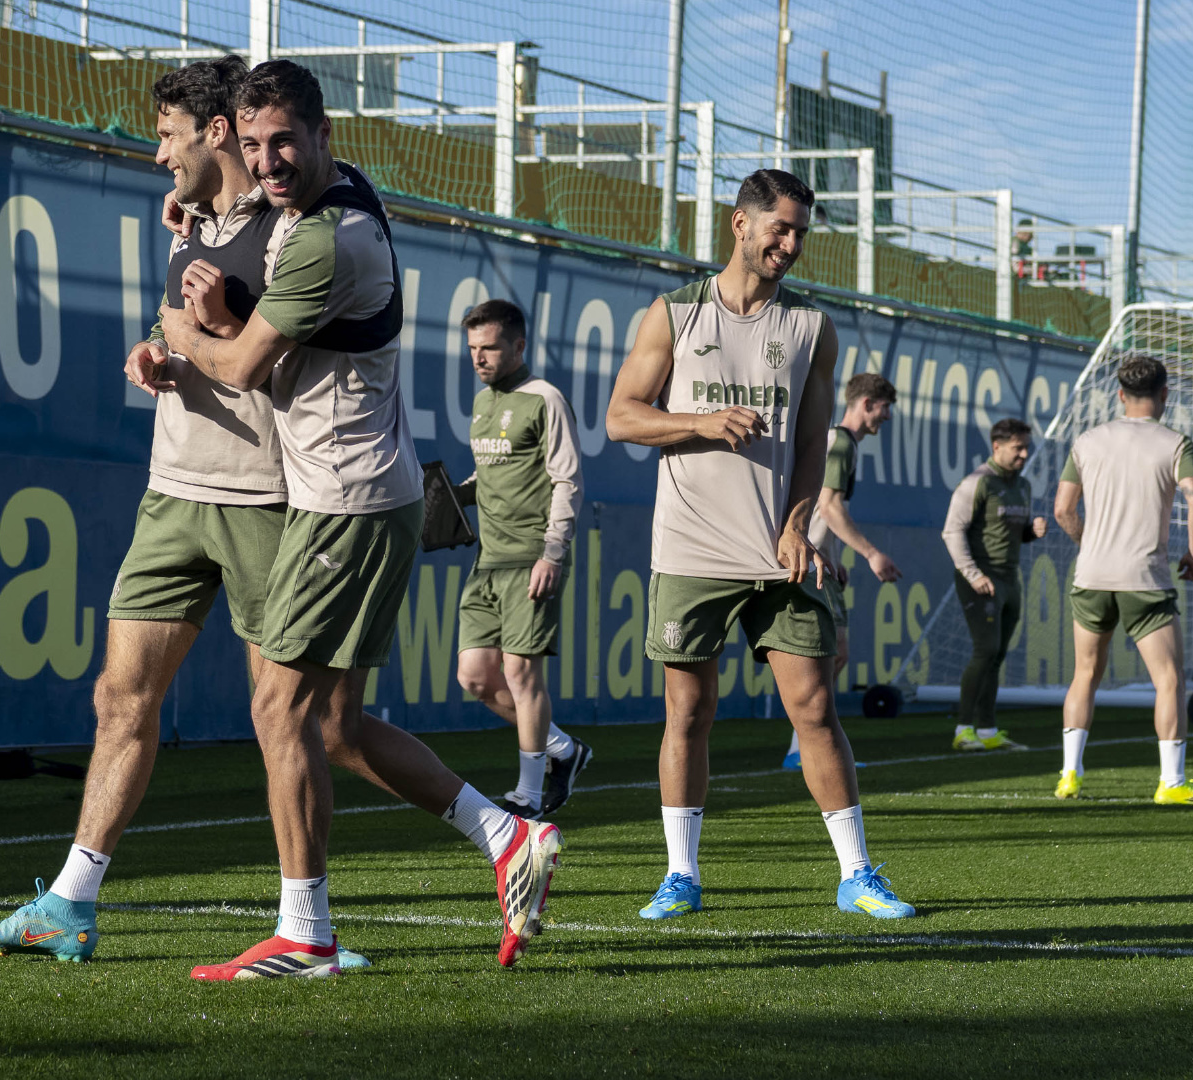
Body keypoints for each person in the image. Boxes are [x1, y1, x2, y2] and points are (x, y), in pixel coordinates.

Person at [0, 57, 380, 967]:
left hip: (266, 498)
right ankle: (72, 900)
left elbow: (259, 351)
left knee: (302, 720)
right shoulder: (199, 218)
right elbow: (179, 324)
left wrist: (199, 327)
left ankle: (315, 920)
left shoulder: (299, 222)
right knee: (121, 696)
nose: (156, 157)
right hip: (174, 492)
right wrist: (158, 348)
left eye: (167, 137)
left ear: (215, 133)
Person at [155, 60, 561, 979]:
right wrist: (194, 226)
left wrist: (178, 327)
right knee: (332, 724)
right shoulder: (342, 197)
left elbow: (237, 367)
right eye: (251, 146)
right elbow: (251, 249)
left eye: (283, 142)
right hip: (366, 497)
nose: (268, 163)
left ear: (325, 133)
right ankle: (507, 835)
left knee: (276, 707)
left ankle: (307, 934)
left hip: (344, 502)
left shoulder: (326, 241)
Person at [607, 168, 915, 923]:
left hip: (780, 555)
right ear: (738, 225)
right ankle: (681, 874)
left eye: (801, 233)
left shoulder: (812, 326)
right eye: (779, 228)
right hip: (689, 552)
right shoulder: (673, 315)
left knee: (814, 708)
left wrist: (795, 522)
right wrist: (700, 424)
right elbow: (621, 417)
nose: (791, 244)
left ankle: (858, 874)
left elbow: (815, 441)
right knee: (689, 712)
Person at [450, 299, 593, 817]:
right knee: (475, 677)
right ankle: (563, 749)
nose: (479, 358)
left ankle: (529, 794)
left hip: (531, 558)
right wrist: (451, 495)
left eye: (489, 347)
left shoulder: (544, 398)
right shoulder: (484, 403)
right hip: (487, 561)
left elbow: (568, 480)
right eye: (472, 349)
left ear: (518, 345)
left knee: (520, 675)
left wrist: (553, 552)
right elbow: (485, 476)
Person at [1053, 355, 1193, 804]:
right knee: (1169, 679)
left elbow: (1063, 509)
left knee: (1085, 674)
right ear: (1164, 394)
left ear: (1120, 395)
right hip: (1144, 577)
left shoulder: (1088, 440)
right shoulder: (1175, 443)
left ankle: (1069, 775)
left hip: (1092, 576)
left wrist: (1090, 545)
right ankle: (1172, 783)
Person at [780, 372, 898, 770]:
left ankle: (805, 747)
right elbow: (829, 506)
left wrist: (834, 553)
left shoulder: (838, 442)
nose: (886, 418)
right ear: (866, 403)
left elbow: (816, 509)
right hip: (809, 563)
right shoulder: (841, 443)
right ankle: (804, 749)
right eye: (884, 409)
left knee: (831, 656)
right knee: (826, 656)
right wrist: (870, 554)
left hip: (819, 559)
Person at [941, 418, 1048, 752]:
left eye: (1027, 447)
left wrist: (1032, 531)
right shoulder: (977, 483)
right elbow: (951, 531)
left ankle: (987, 731)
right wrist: (973, 574)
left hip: (1009, 579)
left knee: (997, 655)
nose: (1024, 454)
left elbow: (1013, 534)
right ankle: (963, 729)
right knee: (984, 650)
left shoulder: (1023, 485)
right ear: (997, 446)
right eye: (1018, 448)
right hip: (980, 580)